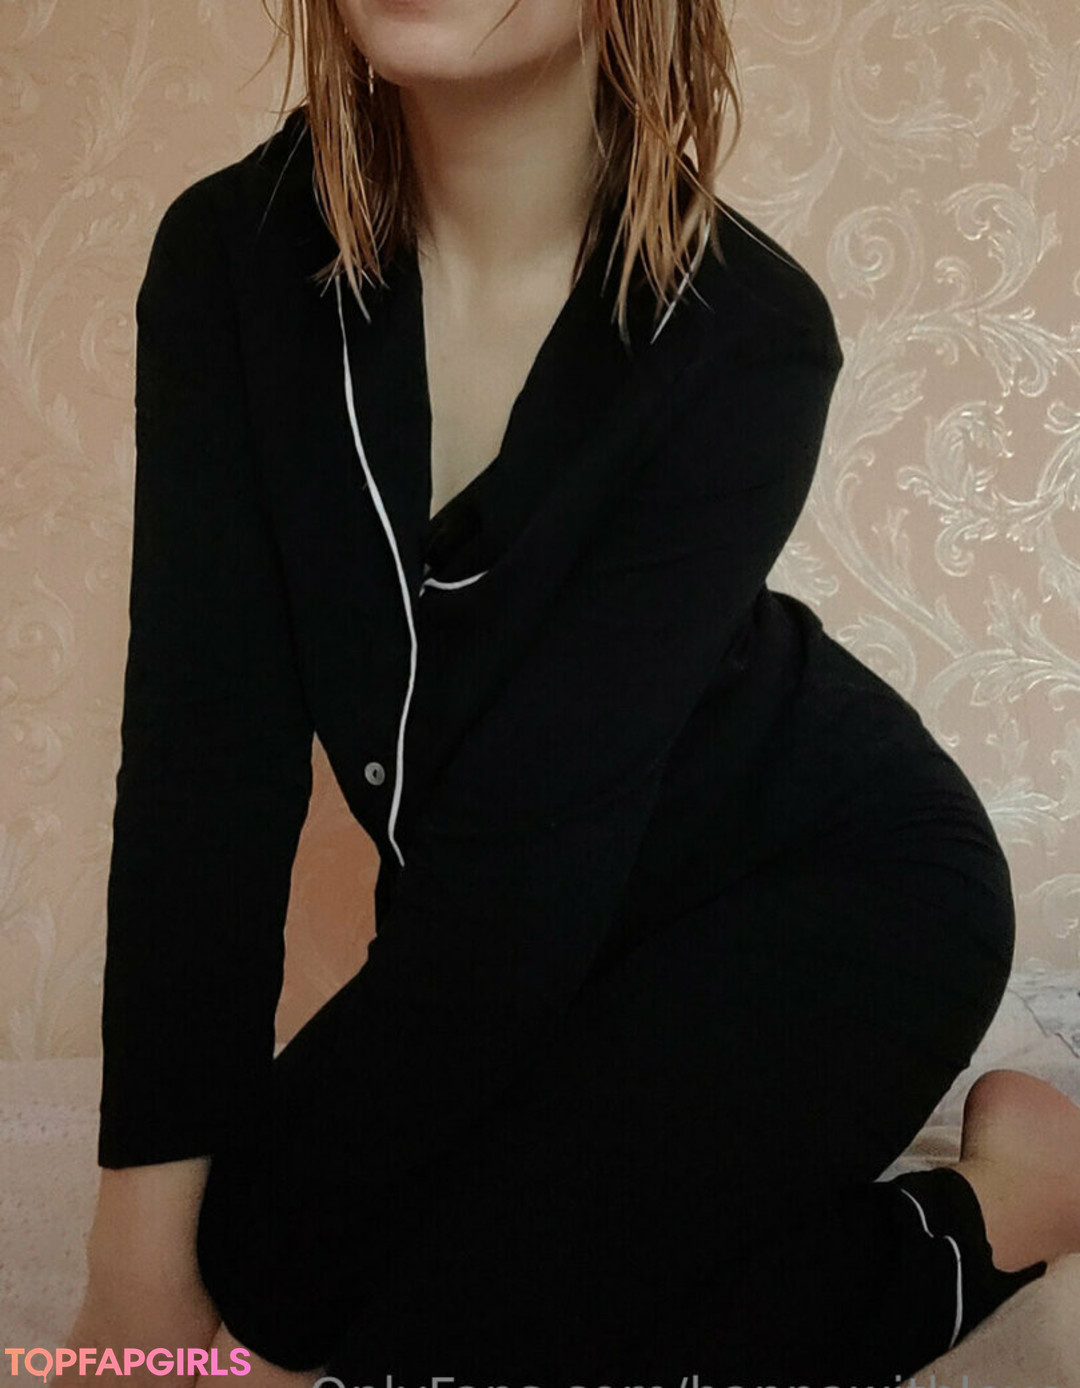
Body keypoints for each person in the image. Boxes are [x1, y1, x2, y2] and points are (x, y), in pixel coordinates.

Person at [67, 1, 1080, 1386]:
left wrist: (309, 1282)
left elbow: (518, 876)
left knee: (413, 1337)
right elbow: (207, 769)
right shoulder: (229, 260)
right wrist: (135, 1275)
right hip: (533, 936)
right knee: (261, 1247)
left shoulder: (748, 333)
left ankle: (1005, 1206)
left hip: (839, 885)